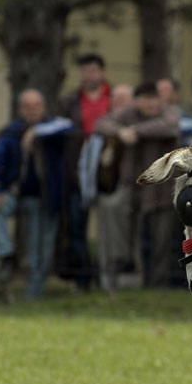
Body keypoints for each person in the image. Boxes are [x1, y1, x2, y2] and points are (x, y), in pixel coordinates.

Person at [0, 89, 71, 298]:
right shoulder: (11, 133)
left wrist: (35, 133)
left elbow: (67, 125)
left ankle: (35, 293)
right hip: (17, 194)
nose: (33, 111)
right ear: (21, 109)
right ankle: (5, 252)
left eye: (36, 106)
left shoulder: (54, 129)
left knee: (40, 247)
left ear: (43, 108)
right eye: (28, 107)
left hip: (46, 198)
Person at [94, 82, 180, 289]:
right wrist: (120, 132)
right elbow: (101, 124)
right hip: (133, 186)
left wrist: (134, 130)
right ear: (137, 102)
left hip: (163, 188)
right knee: (130, 232)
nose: (151, 104)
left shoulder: (169, 112)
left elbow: (169, 127)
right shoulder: (128, 113)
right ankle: (132, 277)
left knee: (161, 240)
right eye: (146, 100)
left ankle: (157, 285)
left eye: (154, 99)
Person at [57, 53, 111, 290]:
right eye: (84, 71)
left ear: (102, 73)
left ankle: (107, 274)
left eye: (93, 70)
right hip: (77, 170)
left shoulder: (113, 98)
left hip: (108, 170)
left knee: (107, 227)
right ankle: (84, 275)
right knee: (77, 226)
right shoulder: (69, 101)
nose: (88, 75)